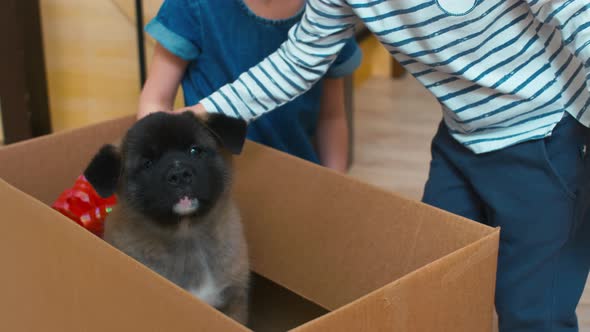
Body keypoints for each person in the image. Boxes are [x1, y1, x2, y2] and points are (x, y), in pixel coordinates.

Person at [167, 1, 590, 331]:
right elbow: (300, 59)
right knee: (434, 280)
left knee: (533, 313)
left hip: (548, 136)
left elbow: (578, 15)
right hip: (463, 138)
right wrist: (200, 116)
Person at [138, 0, 362, 172]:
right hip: (211, 186)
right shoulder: (194, 6)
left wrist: (335, 187)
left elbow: (331, 117)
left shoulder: (328, 12)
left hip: (297, 180)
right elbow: (155, 100)